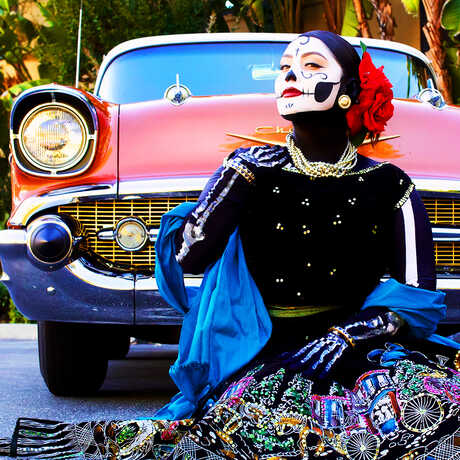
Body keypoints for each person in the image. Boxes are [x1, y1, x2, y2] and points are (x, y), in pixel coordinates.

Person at [1, 30, 459, 460]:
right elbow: (189, 257)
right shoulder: (250, 170)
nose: (290, 75)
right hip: (263, 351)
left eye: (311, 64)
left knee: (433, 407)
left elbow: (417, 299)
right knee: (253, 424)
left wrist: (349, 335)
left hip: (358, 351)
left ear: (346, 94)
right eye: (285, 67)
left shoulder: (392, 186)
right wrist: (231, 183)